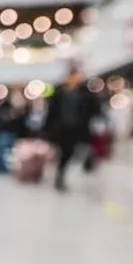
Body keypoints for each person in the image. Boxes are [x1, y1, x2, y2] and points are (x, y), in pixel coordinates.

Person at [43, 64, 102, 192]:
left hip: (77, 129)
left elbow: (94, 109)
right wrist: (47, 129)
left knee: (71, 152)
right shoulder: (59, 93)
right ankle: (60, 175)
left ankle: (65, 173)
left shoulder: (84, 94)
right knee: (63, 152)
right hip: (61, 129)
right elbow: (51, 112)